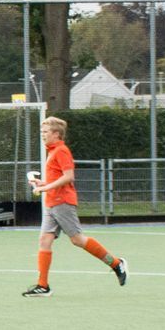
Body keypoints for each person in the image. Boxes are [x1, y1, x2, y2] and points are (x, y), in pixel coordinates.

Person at [22, 116, 127, 297]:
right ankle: (43, 286)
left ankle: (116, 264)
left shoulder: (62, 151)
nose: (43, 135)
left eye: (45, 132)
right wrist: (43, 183)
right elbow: (57, 178)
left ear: (56, 134)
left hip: (62, 202)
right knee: (44, 240)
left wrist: (46, 188)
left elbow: (69, 176)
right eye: (42, 132)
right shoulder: (52, 152)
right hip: (51, 203)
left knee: (78, 240)